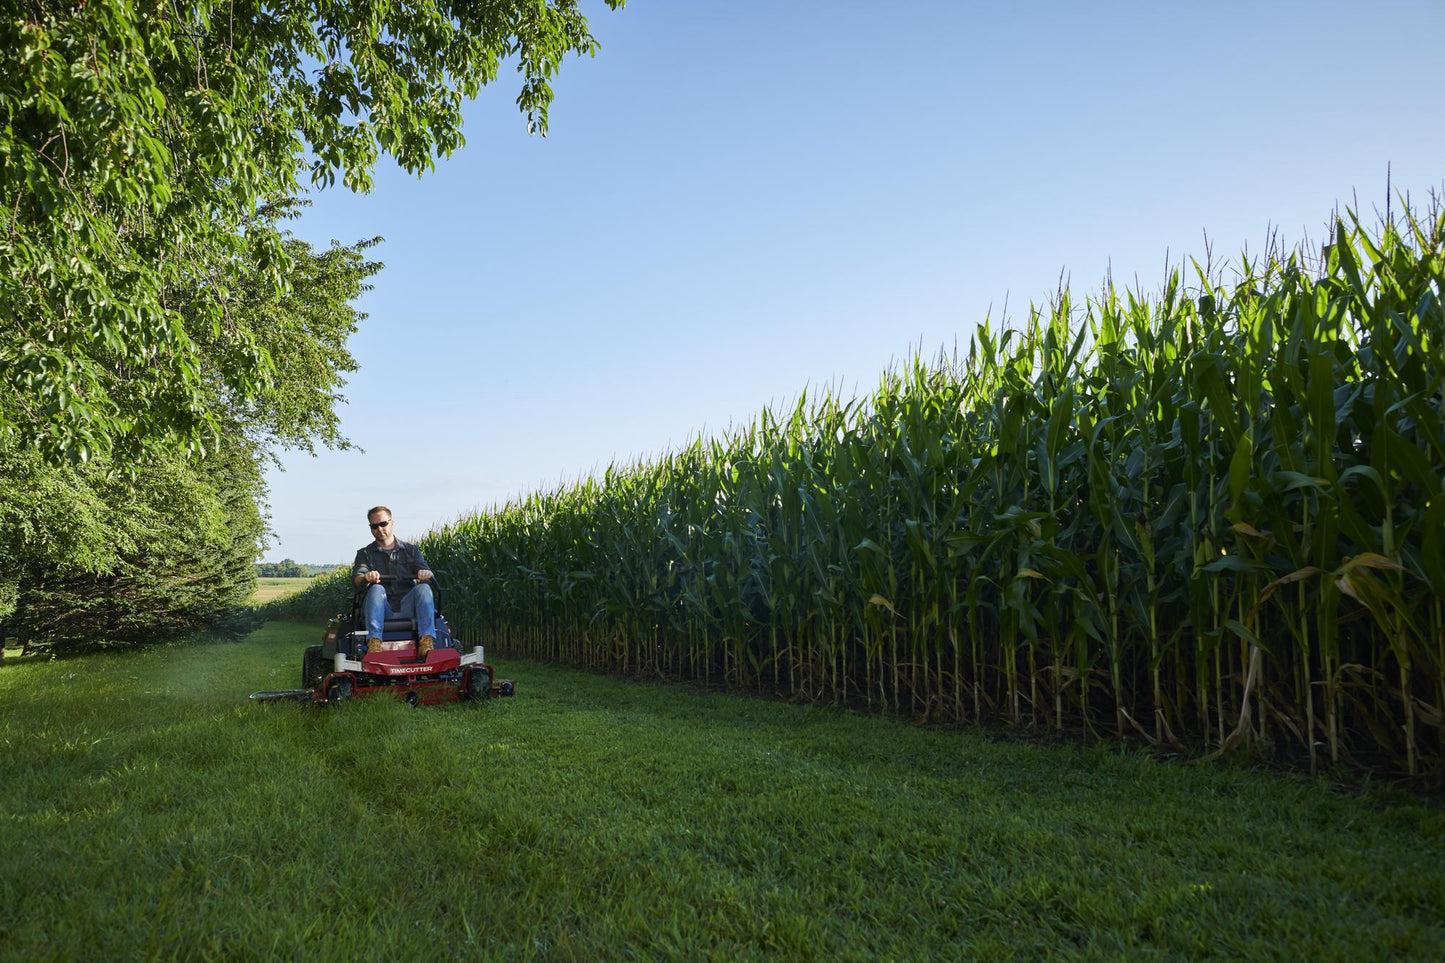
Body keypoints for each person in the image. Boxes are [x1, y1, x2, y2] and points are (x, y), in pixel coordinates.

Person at [352, 506, 437, 657]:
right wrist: (366, 577)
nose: (379, 529)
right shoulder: (365, 554)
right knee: (376, 589)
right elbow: (358, 578)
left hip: (408, 606)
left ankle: (426, 643)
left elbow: (427, 573)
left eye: (383, 524)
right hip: (380, 609)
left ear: (392, 523)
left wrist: (426, 574)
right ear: (370, 528)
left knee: (424, 588)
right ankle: (374, 644)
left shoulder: (411, 551)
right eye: (374, 526)